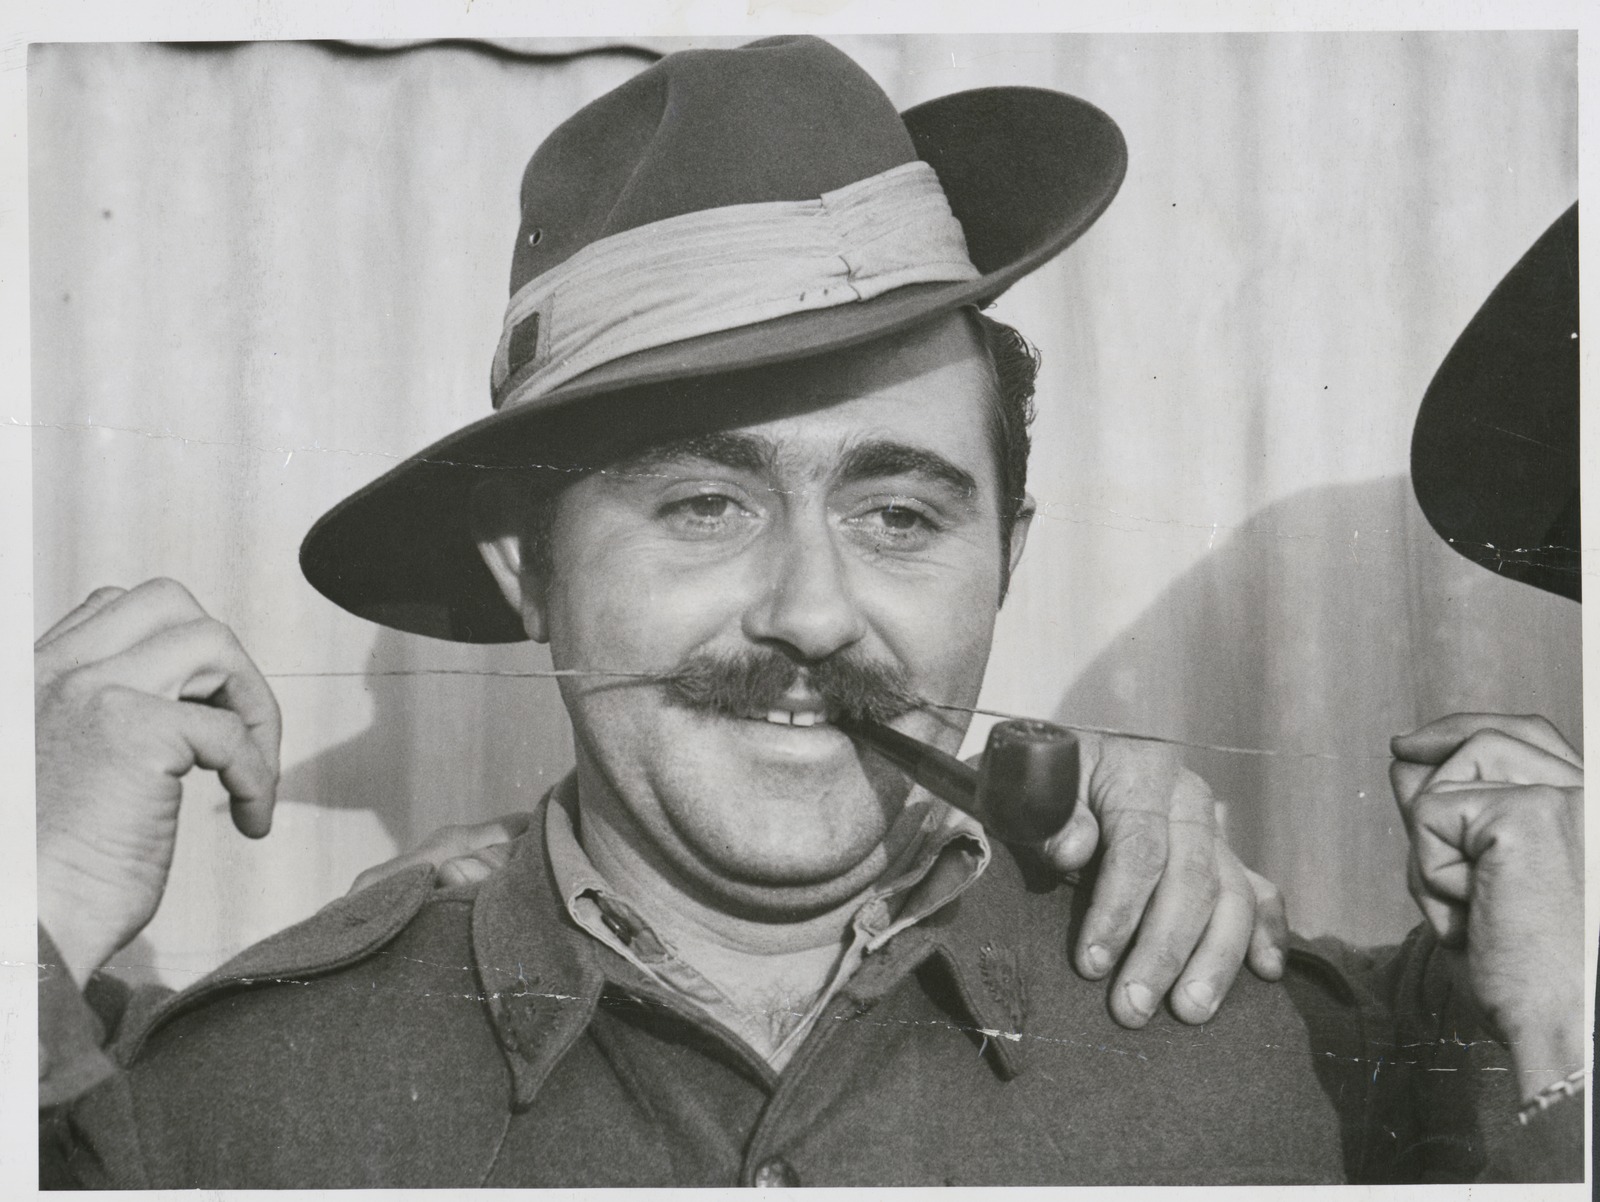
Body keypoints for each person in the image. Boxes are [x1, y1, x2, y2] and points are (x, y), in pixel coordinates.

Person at [35, 36, 1580, 1187]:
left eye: (900, 514)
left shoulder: (1298, 1066)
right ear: (527, 567)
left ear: (1007, 555)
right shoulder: (217, 1119)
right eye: (705, 503)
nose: (816, 612)